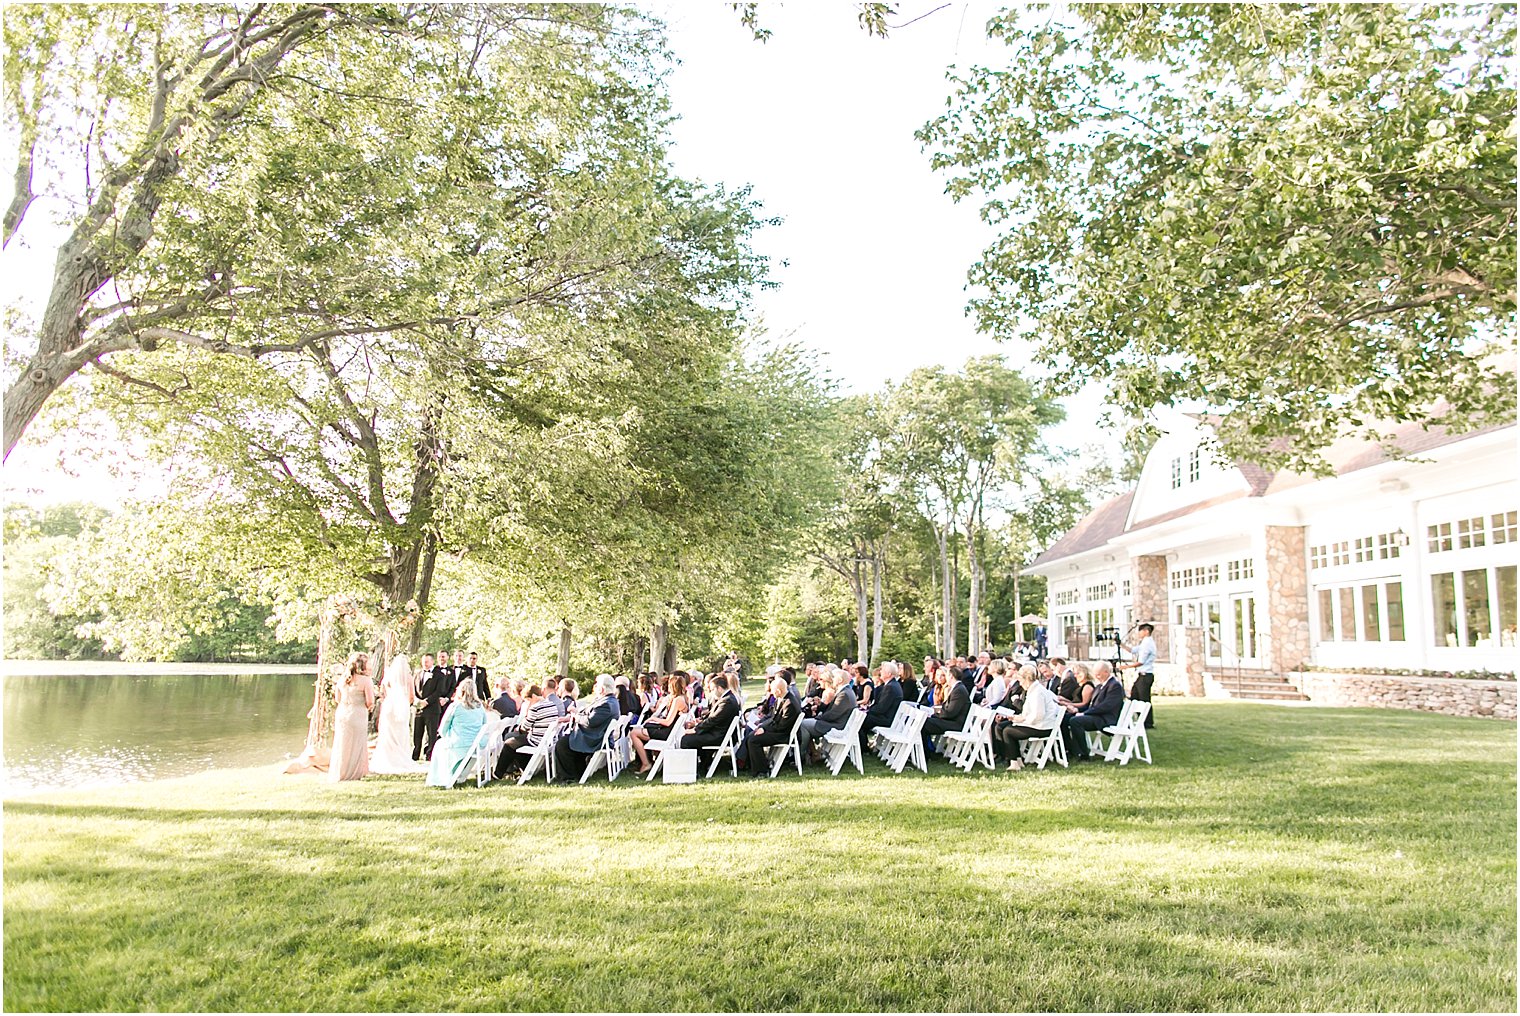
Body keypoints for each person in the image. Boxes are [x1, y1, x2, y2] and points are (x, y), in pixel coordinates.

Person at [551, 675, 620, 783]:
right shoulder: (608, 700)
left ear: (602, 689)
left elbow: (589, 721)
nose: (594, 687)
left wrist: (575, 715)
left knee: (562, 744)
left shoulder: (606, 704)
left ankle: (568, 776)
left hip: (594, 738)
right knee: (567, 742)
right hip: (593, 734)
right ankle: (577, 772)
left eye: (596, 685)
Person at [992, 665, 1061, 771]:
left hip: (1043, 727)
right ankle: (1017, 760)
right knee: (1004, 727)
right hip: (1038, 724)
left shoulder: (1038, 692)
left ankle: (1014, 762)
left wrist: (1021, 720)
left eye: (1020, 680)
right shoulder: (1033, 689)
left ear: (1027, 679)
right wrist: (1017, 718)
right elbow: (1030, 713)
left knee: (1008, 731)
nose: (1019, 683)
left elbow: (1038, 716)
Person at [426, 678, 489, 787]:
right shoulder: (480, 707)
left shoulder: (456, 706)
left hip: (460, 743)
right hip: (477, 743)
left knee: (439, 745)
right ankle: (456, 775)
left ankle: (439, 779)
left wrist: (447, 737)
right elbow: (484, 724)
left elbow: (443, 728)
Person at [739, 675, 803, 777]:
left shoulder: (789, 703)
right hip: (778, 730)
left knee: (753, 740)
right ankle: (753, 766)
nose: (772, 693)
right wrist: (762, 726)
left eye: (773, 691)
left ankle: (762, 771)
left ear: (778, 691)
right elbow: (773, 718)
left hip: (784, 734)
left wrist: (764, 730)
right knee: (751, 735)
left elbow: (782, 726)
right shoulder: (782, 699)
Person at [1061, 661, 1126, 761]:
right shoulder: (1100, 686)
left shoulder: (1114, 686)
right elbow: (1091, 705)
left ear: (1106, 672)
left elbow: (1106, 706)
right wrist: (1076, 710)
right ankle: (1070, 749)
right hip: (1096, 716)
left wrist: (1084, 713)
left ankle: (1083, 754)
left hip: (1105, 719)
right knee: (1065, 718)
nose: (1097, 677)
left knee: (1075, 721)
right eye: (1095, 674)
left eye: (1098, 674)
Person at [494, 684, 559, 780]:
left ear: (533, 696)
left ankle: (498, 774)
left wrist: (527, 712)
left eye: (528, 700)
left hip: (536, 740)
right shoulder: (551, 704)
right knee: (515, 743)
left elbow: (524, 728)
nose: (528, 702)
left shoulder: (535, 708)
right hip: (547, 740)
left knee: (508, 744)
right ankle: (525, 770)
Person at [372, 653, 422, 774]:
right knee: (401, 732)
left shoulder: (388, 676)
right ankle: (401, 757)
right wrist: (407, 703)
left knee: (388, 732)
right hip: (402, 705)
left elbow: (382, 692)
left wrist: (388, 698)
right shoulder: (408, 677)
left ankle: (387, 758)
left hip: (389, 705)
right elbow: (411, 695)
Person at [330, 653, 377, 782]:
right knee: (357, 743)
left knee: (342, 743)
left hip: (342, 713)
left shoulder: (342, 679)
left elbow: (337, 699)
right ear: (363, 665)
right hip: (357, 713)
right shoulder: (366, 680)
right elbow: (370, 702)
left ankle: (340, 771)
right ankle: (355, 773)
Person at [630, 675, 689, 774]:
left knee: (633, 733)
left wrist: (654, 718)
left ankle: (646, 763)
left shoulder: (678, 700)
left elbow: (668, 722)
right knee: (640, 730)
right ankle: (648, 761)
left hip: (667, 732)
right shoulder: (683, 698)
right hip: (668, 730)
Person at [678, 673, 740, 765]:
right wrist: (699, 721)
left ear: (719, 688)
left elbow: (713, 720)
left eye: (712, 690)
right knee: (690, 738)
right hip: (718, 732)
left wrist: (695, 729)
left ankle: (691, 769)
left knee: (686, 740)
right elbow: (713, 716)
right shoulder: (726, 698)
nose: (711, 692)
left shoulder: (727, 701)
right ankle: (704, 763)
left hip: (719, 735)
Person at [798, 671, 856, 762]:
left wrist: (817, 718)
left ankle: (801, 755)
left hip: (836, 726)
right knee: (805, 723)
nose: (832, 680)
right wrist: (821, 705)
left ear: (840, 680)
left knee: (802, 724)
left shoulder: (844, 694)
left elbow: (833, 715)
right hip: (834, 723)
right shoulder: (845, 691)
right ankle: (811, 753)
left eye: (834, 677)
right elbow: (831, 710)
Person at [921, 666, 970, 758]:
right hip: (951, 720)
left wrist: (934, 714)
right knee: (923, 721)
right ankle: (924, 752)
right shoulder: (957, 688)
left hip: (955, 723)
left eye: (946, 675)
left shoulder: (959, 690)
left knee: (924, 723)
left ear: (951, 676)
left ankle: (925, 754)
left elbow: (950, 712)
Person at [860, 661, 904, 752]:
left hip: (887, 719)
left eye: (883, 671)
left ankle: (863, 748)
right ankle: (863, 746)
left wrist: (867, 711)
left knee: (860, 720)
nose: (880, 672)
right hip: (886, 716)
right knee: (861, 717)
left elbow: (881, 708)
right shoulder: (890, 685)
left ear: (889, 674)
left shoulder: (890, 687)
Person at [1122, 623, 1157, 728]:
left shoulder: (1148, 644)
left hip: (1146, 675)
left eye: (1140, 631)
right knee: (1135, 697)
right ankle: (1141, 720)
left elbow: (1141, 661)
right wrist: (1120, 644)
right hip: (1142, 675)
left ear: (1146, 631)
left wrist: (1126, 667)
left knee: (1144, 699)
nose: (1139, 633)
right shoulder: (1144, 643)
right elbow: (1133, 650)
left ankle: (1147, 723)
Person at [411, 653, 435, 761]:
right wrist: (418, 701)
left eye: (427, 661)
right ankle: (415, 755)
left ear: (432, 662)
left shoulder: (438, 674)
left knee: (431, 733)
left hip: (432, 708)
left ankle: (429, 755)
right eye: (423, 661)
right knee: (417, 733)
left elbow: (439, 690)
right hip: (419, 708)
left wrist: (428, 701)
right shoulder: (417, 674)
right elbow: (414, 689)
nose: (424, 663)